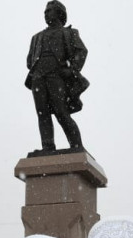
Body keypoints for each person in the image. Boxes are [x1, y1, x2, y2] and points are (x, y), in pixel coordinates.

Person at [25, 0, 88, 152]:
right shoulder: (36, 37)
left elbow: (81, 52)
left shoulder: (69, 33)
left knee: (61, 112)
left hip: (57, 76)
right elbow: (29, 60)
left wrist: (72, 70)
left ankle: (77, 147)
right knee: (42, 113)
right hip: (38, 77)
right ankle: (47, 147)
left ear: (59, 13)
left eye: (49, 11)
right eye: (45, 12)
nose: (46, 14)